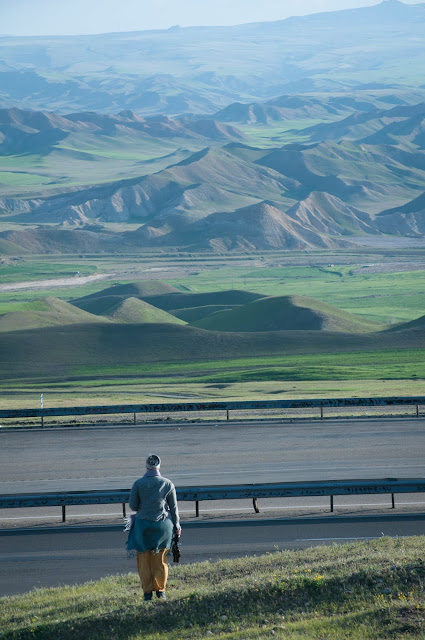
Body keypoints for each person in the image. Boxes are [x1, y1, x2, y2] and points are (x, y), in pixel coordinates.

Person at [127, 453, 181, 601]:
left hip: (142, 527)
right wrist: (177, 525)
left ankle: (147, 592)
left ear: (146, 466)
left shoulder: (138, 484)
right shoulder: (168, 484)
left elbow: (133, 506)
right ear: (159, 466)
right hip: (162, 527)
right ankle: (161, 591)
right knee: (161, 559)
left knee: (144, 560)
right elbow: (174, 508)